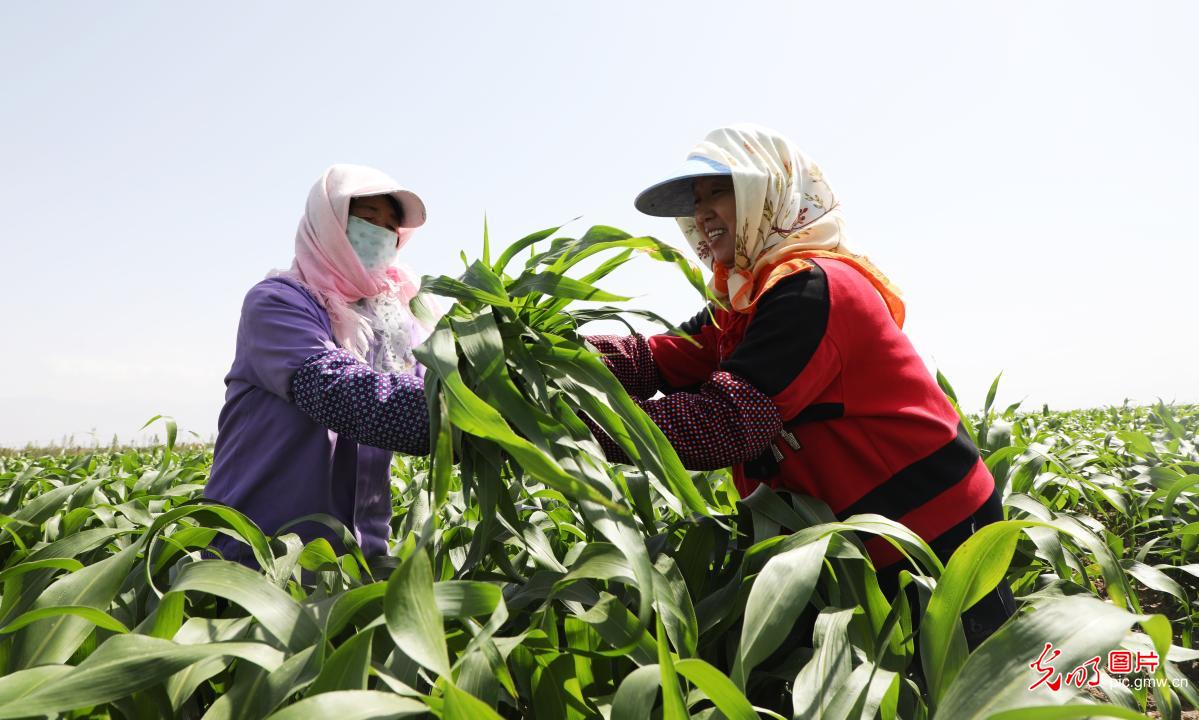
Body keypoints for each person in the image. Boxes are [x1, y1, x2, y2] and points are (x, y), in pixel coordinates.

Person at [584, 124, 1017, 651]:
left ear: (770, 193)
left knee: (966, 691)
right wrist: (543, 353)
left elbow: (723, 422)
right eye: (695, 202)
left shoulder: (812, 290)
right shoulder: (746, 300)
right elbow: (657, 358)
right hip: (855, 538)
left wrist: (573, 422)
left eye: (719, 192)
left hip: (935, 535)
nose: (701, 214)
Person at [205, 164, 433, 568]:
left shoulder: (395, 321)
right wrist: (454, 413)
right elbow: (335, 390)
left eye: (389, 226)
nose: (380, 233)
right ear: (327, 223)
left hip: (357, 553)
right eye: (367, 219)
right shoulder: (278, 302)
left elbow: (436, 384)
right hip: (261, 548)